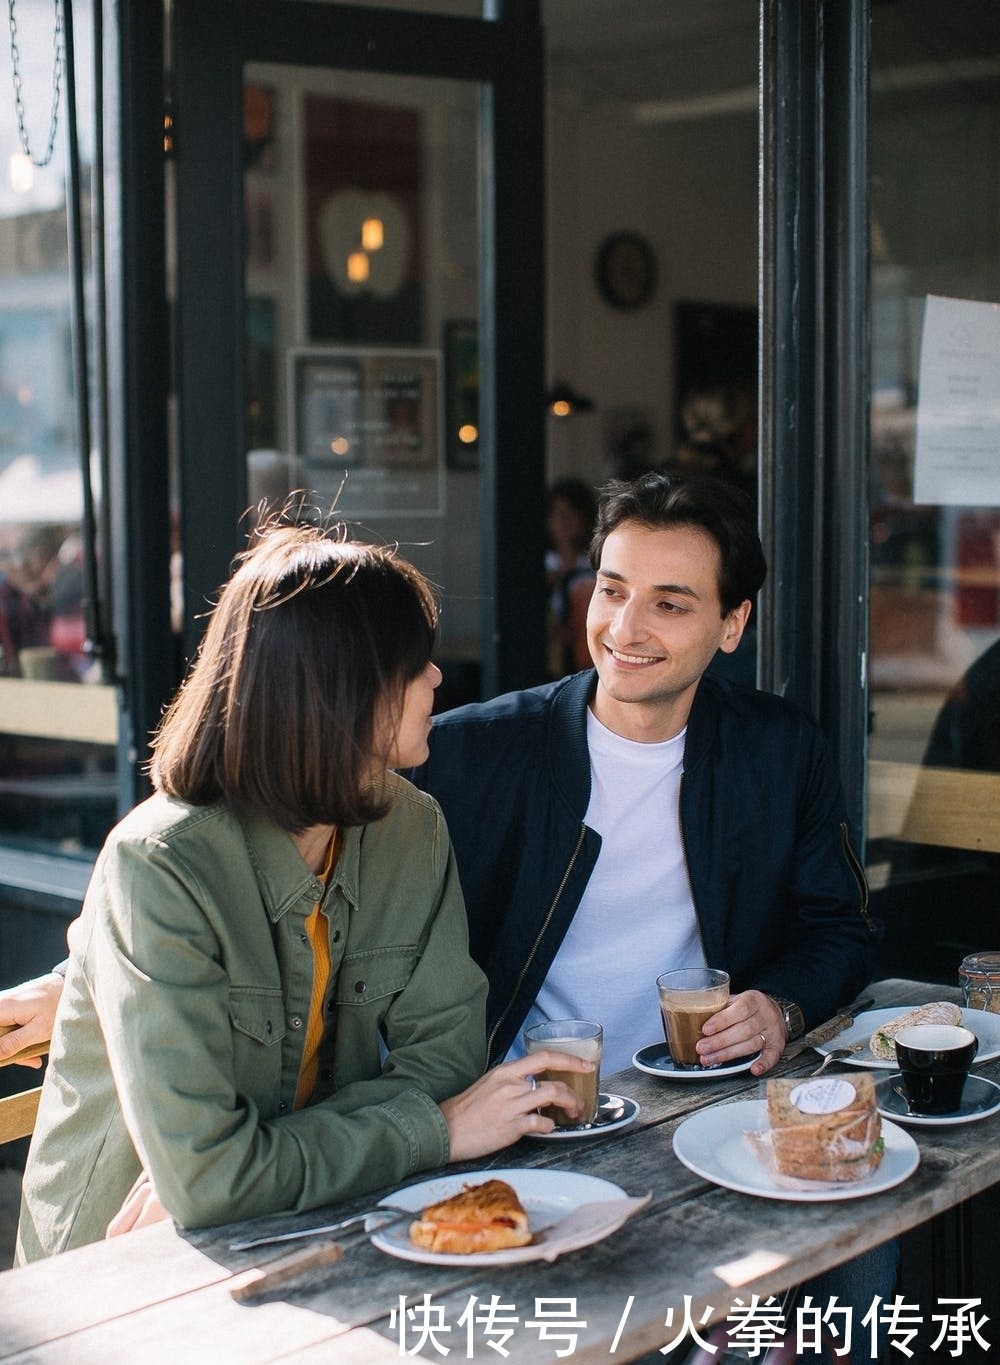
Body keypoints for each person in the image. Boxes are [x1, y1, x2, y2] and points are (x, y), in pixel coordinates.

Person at [13, 514, 589, 1262]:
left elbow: (446, 1066)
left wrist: (253, 1163)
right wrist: (433, 1127)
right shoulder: (158, 864)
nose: (438, 678)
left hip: (315, 1229)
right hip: (120, 1269)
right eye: (415, 661)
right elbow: (211, 1183)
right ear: (340, 691)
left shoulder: (411, 826)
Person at [545, 477, 598, 678]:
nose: (563, 522)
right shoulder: (538, 566)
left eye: (571, 514)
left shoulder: (598, 565)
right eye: (557, 514)